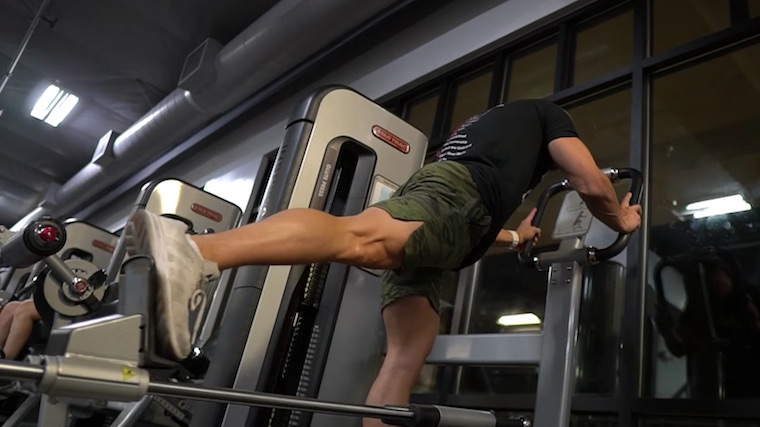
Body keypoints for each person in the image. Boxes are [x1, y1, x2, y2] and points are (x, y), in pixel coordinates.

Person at [123, 98, 642, 426]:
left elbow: (457, 231)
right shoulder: (548, 114)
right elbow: (592, 182)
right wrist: (620, 219)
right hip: (458, 199)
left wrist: (515, 234)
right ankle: (195, 252)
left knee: (405, 353)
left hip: (455, 218)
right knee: (361, 239)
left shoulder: (489, 131)